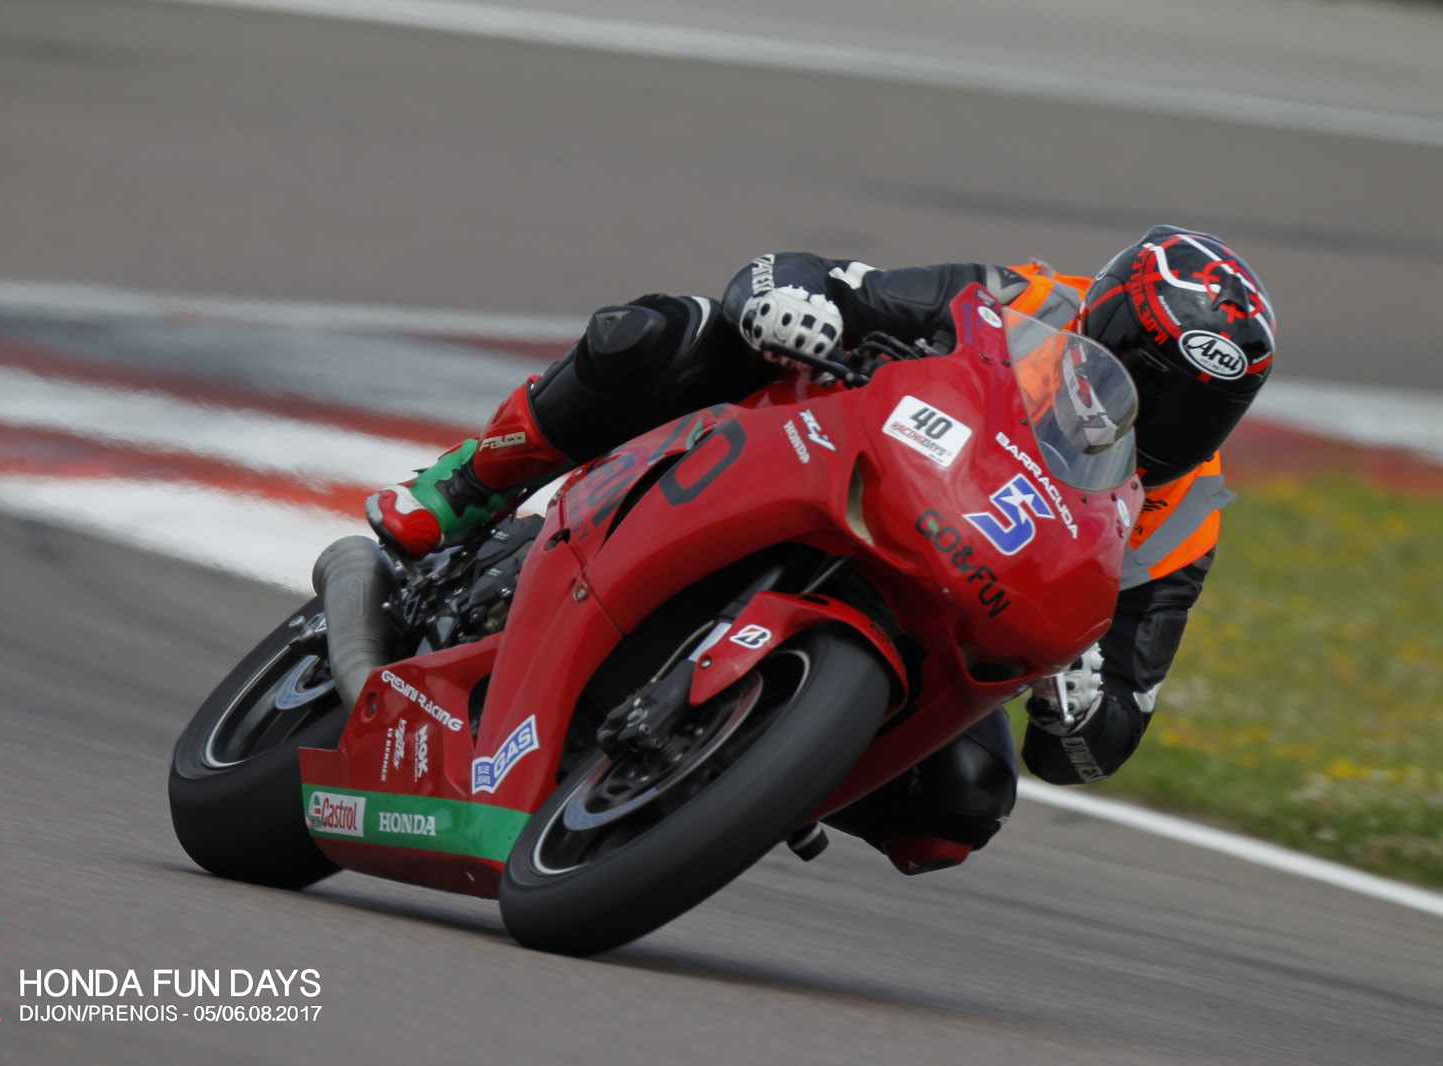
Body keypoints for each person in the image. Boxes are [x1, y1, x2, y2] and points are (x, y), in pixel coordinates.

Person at [372, 225, 1277, 876]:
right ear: (1104, 323)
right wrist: (793, 304)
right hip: (834, 457)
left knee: (960, 805)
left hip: (942, 601)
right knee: (660, 335)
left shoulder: (1182, 517)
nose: (1169, 424)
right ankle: (470, 484)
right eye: (1153, 383)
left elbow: (1103, 743)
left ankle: (746, 767)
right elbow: (815, 278)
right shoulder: (1026, 301)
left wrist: (1075, 709)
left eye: (1206, 411)